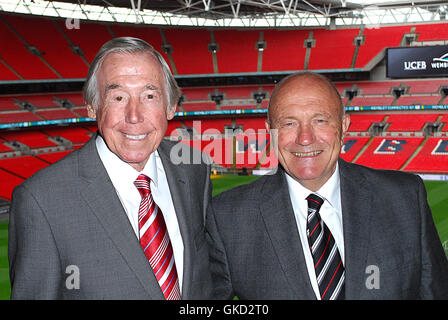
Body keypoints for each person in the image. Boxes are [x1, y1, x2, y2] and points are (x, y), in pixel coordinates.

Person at [206, 72, 448, 299]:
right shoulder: (227, 218)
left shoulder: (405, 198)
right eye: (289, 124)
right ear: (271, 131)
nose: (305, 138)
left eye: (320, 120)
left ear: (344, 126)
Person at [8, 37, 215, 299]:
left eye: (149, 96)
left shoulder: (195, 169)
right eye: (118, 97)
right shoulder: (41, 200)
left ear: (171, 106)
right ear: (93, 106)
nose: (134, 115)